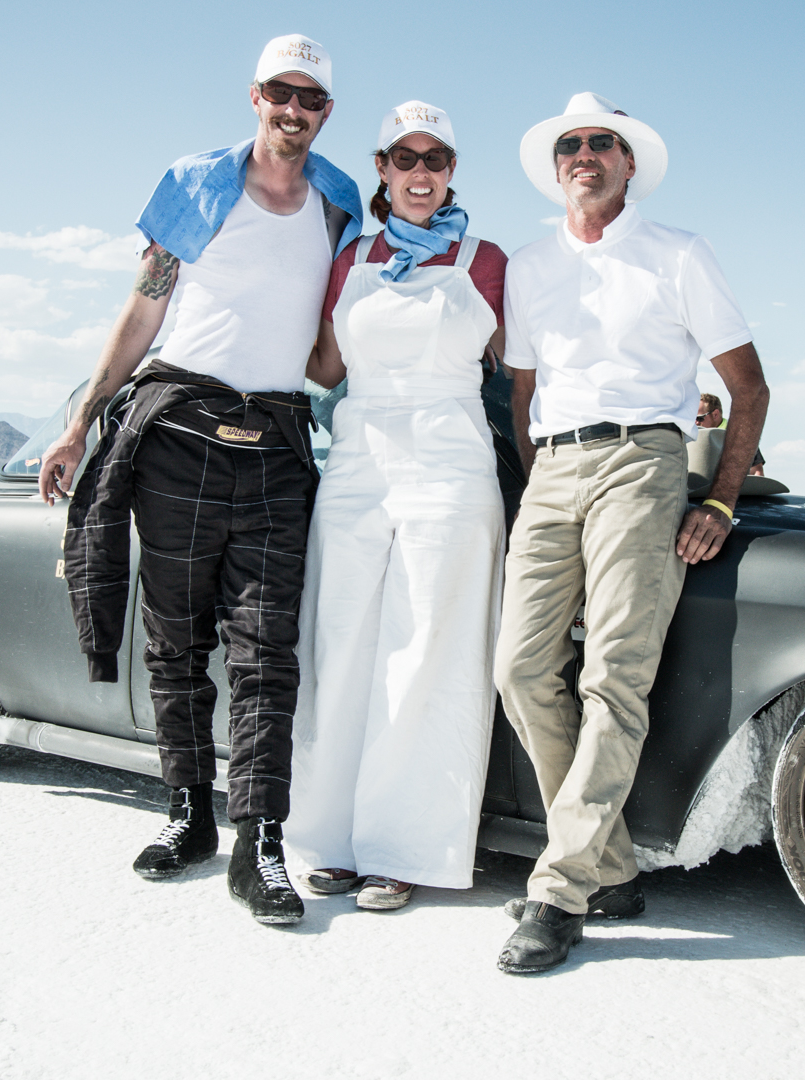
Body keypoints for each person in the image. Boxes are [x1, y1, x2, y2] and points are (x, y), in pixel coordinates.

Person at [40, 34, 363, 926]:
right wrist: (79, 423)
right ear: (254, 97)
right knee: (175, 640)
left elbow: (339, 325)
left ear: (325, 112)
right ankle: (187, 812)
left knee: (267, 649)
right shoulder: (196, 187)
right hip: (177, 430)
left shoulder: (339, 202)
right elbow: (144, 308)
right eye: (279, 93)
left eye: (311, 99)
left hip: (275, 442)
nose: (293, 110)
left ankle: (259, 840)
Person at [492, 92, 769, 974]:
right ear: (557, 164)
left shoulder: (678, 254)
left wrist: (719, 500)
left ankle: (561, 887)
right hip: (554, 472)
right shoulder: (531, 265)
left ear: (627, 163)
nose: (583, 154)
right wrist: (538, 476)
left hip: (644, 463)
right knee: (521, 670)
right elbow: (523, 394)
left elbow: (749, 387)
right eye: (570, 143)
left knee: (615, 675)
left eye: (599, 142)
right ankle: (608, 867)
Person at [286, 101, 509, 913]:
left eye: (436, 159)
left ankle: (402, 849)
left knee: (428, 655)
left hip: (451, 465)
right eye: (404, 158)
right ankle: (330, 838)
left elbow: (523, 374)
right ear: (381, 168)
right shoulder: (350, 258)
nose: (421, 173)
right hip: (357, 462)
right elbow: (319, 364)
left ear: (452, 171)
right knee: (340, 644)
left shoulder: (486, 260)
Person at [698, 392, 766, 475]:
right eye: (691, 418)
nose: (695, 422)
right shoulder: (688, 436)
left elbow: (756, 471)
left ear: (715, 414)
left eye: (699, 418)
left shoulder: (741, 436)